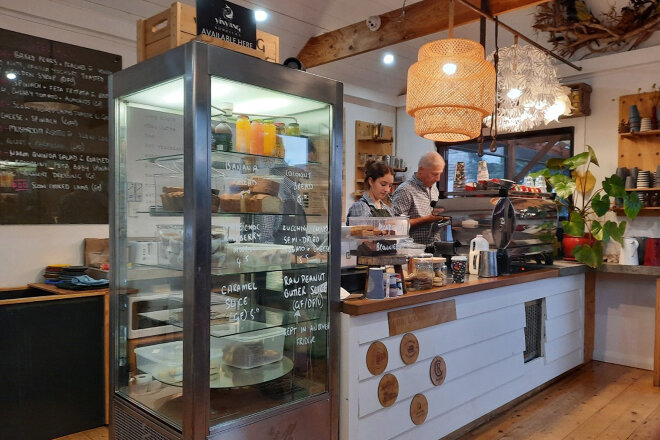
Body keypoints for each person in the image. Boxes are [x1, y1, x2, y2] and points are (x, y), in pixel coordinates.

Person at [392, 151, 447, 244]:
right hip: (412, 252)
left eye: (440, 174)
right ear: (421, 170)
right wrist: (426, 220)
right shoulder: (405, 190)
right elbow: (395, 226)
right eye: (435, 174)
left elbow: (434, 219)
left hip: (434, 250)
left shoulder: (434, 189)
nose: (438, 179)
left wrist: (444, 219)